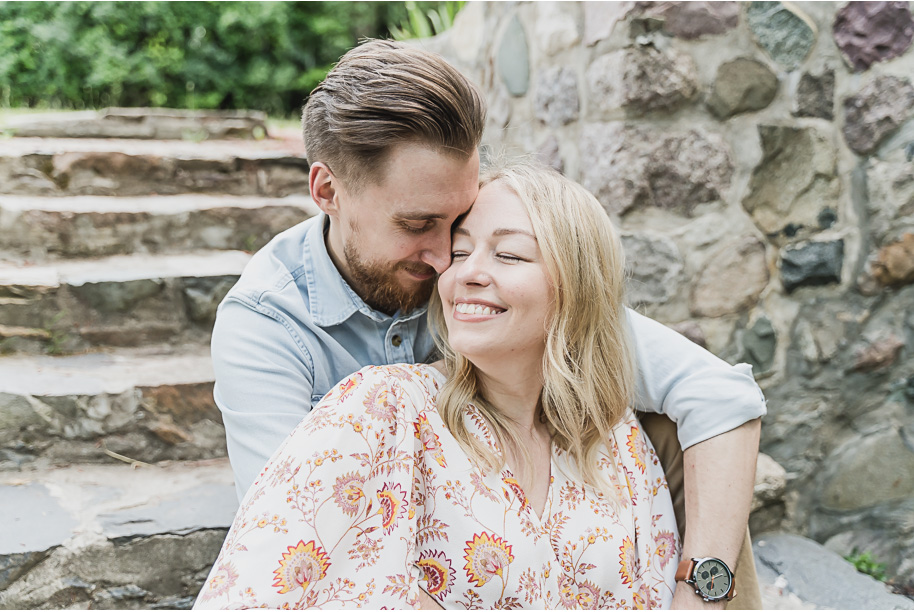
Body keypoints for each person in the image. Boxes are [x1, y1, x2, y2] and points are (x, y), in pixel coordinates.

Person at [210, 40, 764, 608]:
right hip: (395, 557)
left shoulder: (474, 278)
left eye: (460, 223)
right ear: (328, 191)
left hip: (533, 502)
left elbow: (714, 392)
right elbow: (298, 537)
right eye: (420, 223)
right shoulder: (266, 327)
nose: (444, 259)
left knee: (671, 436)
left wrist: (702, 584)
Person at [196, 160, 683, 609]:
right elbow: (257, 586)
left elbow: (721, 398)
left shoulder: (615, 439)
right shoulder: (379, 409)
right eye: (462, 250)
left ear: (578, 287)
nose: (467, 272)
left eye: (509, 255)